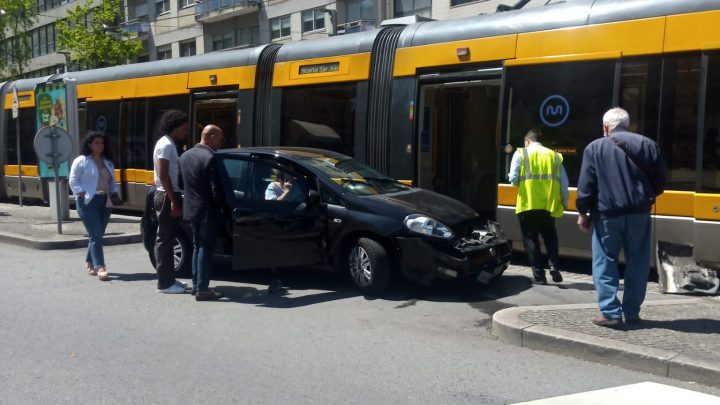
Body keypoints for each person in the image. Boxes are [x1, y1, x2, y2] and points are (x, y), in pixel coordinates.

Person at [576, 107, 666, 328]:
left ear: (606, 127)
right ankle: (632, 312)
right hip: (639, 215)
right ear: (627, 124)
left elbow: (586, 186)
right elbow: (660, 183)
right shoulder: (648, 145)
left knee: (605, 263)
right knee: (638, 264)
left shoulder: (595, 148)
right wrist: (642, 197)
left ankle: (610, 313)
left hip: (607, 216)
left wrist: (582, 212)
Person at [508, 129, 569, 285]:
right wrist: (565, 202)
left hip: (527, 204)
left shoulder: (521, 153)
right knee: (550, 237)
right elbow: (564, 183)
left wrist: (521, 186)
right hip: (548, 204)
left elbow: (513, 178)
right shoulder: (554, 156)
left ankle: (539, 277)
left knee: (531, 240)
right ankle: (554, 265)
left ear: (527, 141)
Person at [179, 125, 226, 301]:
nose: (220, 144)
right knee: (205, 248)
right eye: (220, 140)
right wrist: (222, 207)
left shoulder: (184, 156)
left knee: (197, 246)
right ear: (211, 137)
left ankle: (196, 284)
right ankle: (203, 289)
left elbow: (181, 183)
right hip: (208, 211)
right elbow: (216, 190)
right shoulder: (210, 158)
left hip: (191, 209)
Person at [69, 131, 120, 281]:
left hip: (105, 201)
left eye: (102, 143)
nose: (100, 146)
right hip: (88, 201)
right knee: (96, 234)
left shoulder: (107, 162)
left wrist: (115, 192)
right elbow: (73, 180)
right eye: (96, 143)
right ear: (90, 145)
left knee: (98, 234)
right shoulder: (81, 161)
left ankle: (90, 261)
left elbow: (112, 182)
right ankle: (100, 267)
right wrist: (81, 192)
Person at [153, 109, 190, 294]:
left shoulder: (166, 143)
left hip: (167, 193)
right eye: (183, 129)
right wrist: (173, 200)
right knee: (165, 240)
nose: (185, 133)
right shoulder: (166, 145)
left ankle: (170, 279)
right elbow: (163, 174)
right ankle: (165, 283)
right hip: (166, 194)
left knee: (168, 238)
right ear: (174, 127)